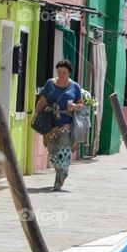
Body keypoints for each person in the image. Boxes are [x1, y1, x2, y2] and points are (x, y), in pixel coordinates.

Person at [34, 59, 85, 190]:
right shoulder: (50, 83)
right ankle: (61, 172)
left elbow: (81, 104)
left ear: (69, 73)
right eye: (59, 72)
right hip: (50, 123)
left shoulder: (74, 86)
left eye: (64, 72)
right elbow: (43, 100)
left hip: (66, 124)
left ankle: (60, 178)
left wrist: (75, 106)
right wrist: (37, 112)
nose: (61, 74)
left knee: (64, 151)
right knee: (52, 152)